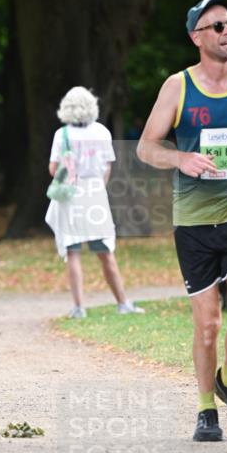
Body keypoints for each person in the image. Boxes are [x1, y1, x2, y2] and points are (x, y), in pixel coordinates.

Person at [137, 0, 227, 442]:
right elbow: (147, 147)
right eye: (217, 27)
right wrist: (181, 159)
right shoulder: (178, 87)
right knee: (207, 325)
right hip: (195, 224)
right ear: (196, 37)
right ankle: (207, 408)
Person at [46, 86, 146, 320]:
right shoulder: (102, 132)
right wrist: (98, 187)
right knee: (104, 251)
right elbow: (108, 165)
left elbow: (53, 169)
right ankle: (122, 302)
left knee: (73, 251)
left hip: (70, 195)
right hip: (95, 194)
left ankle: (79, 307)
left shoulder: (62, 135)